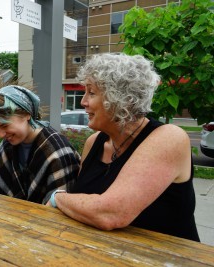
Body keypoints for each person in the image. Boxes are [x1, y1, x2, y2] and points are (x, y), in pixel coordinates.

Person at [48, 53, 200, 242]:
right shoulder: (94, 142)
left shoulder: (169, 138)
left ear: (121, 99)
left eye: (91, 92)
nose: (82, 102)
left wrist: (58, 197)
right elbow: (83, 205)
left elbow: (110, 214)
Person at [0, 85, 81, 204]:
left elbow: (64, 204)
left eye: (4, 125)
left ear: (26, 114)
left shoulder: (57, 150)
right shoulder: (5, 148)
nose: (0, 135)